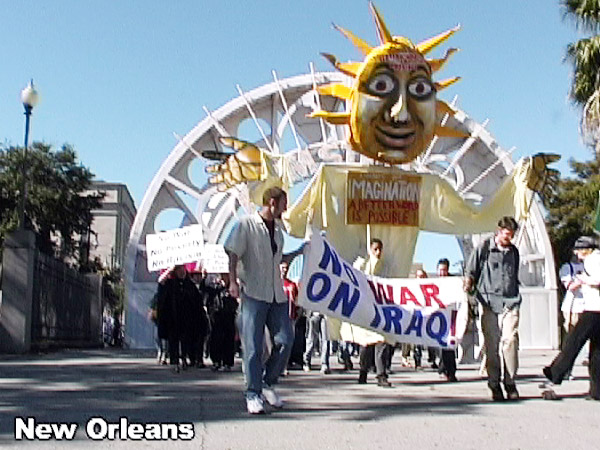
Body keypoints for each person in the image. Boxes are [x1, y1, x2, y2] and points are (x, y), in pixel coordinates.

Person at [225, 186, 294, 415]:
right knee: (253, 347)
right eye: (284, 203)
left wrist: (299, 254)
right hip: (253, 293)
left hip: (277, 294)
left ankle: (267, 381)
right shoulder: (246, 225)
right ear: (272, 203)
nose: (286, 208)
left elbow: (277, 259)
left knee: (285, 339)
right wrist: (233, 281)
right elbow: (233, 252)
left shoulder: (278, 232)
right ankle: (252, 393)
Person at [464, 216, 521, 401]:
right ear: (499, 231)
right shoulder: (485, 247)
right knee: (492, 344)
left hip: (510, 301)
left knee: (510, 340)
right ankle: (494, 382)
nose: (509, 238)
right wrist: (468, 284)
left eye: (511, 235)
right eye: (506, 234)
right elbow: (471, 270)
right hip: (488, 302)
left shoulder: (514, 252)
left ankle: (510, 382)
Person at [543, 236, 600, 400]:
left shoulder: (591, 260)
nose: (576, 253)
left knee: (574, 341)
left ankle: (556, 372)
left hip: (593, 309)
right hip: (595, 308)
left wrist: (583, 279)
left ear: (585, 249)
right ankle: (597, 390)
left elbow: (597, 279)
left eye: (578, 249)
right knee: (596, 350)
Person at [355, 238, 392, 387]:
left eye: (380, 249)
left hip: (380, 308)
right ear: (370, 250)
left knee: (381, 340)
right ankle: (363, 371)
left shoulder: (385, 267)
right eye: (375, 249)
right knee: (366, 344)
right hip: (365, 308)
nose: (378, 252)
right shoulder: (363, 264)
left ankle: (381, 374)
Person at [436, 258, 458, 382]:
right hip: (438, 318)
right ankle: (443, 367)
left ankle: (450, 371)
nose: (442, 273)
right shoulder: (433, 282)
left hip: (450, 318)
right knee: (441, 345)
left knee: (449, 345)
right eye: (440, 270)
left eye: (444, 270)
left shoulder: (453, 282)